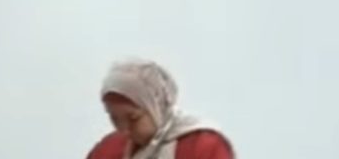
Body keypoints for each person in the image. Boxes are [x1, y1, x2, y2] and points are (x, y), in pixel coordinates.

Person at [87, 59, 234, 159]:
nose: (124, 130)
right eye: (114, 118)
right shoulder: (108, 149)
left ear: (156, 108)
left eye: (133, 118)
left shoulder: (202, 145)